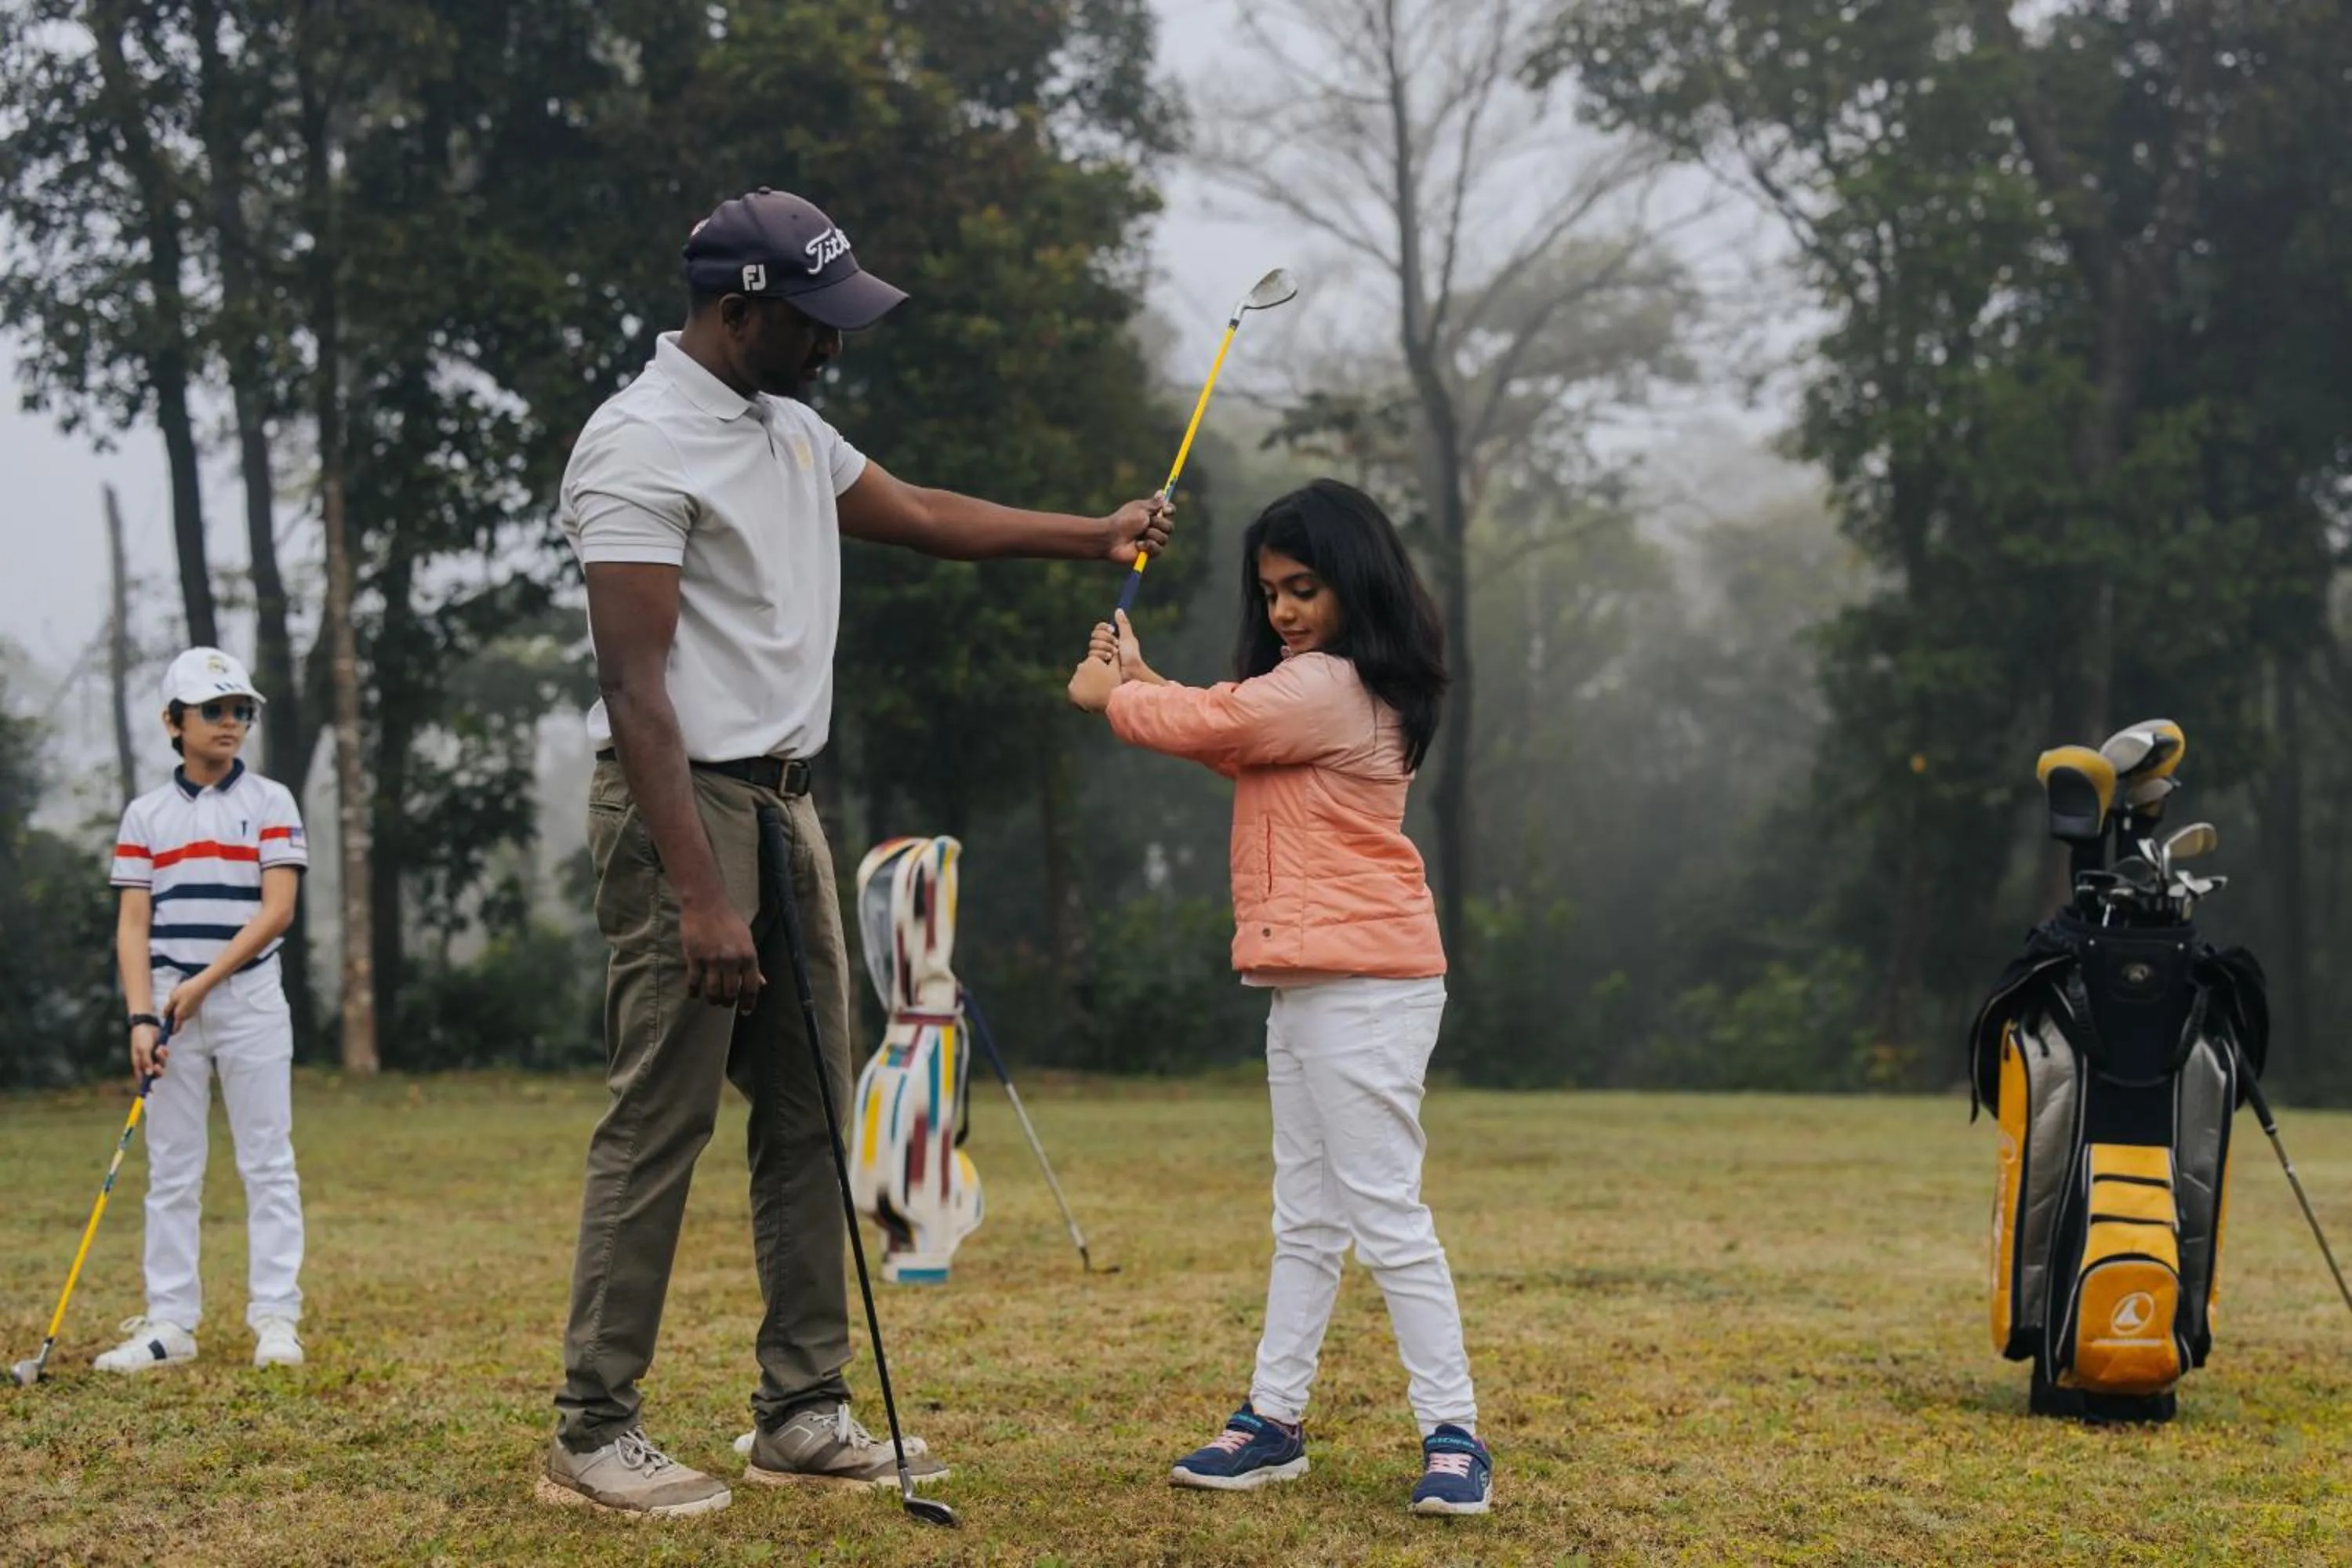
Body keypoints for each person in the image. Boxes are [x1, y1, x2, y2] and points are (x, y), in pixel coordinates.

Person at [538, 186, 1174, 1519]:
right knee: (662, 1118)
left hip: (785, 802)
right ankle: (594, 1433)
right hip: (683, 807)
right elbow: (637, 692)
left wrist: (1090, 534)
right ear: (736, 313)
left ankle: (804, 1413)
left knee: (817, 1114)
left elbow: (926, 514)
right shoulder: (637, 447)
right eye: (815, 321)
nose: (837, 342)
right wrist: (699, 898)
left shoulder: (787, 428)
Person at [1065, 478, 1491, 1516]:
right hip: (1308, 984)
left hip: (1368, 985)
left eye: (1304, 588)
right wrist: (1145, 678)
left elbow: (1220, 719)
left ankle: (1454, 1434)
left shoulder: (1332, 685)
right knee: (1306, 1219)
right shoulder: (1312, 694)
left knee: (1386, 1218)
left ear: (1355, 583)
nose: (1286, 612)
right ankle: (1272, 1421)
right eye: (1270, 595)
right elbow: (1231, 738)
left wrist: (1112, 694)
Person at [100, 646, 309, 1374]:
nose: (229, 723)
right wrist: (142, 1015)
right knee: (173, 1168)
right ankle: (170, 1323)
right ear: (173, 722)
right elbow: (133, 924)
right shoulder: (146, 815)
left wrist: (204, 982)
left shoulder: (271, 802)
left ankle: (276, 1317)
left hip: (247, 995)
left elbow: (277, 910)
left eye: (239, 711)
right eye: (213, 710)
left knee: (267, 1159)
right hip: (166, 1004)